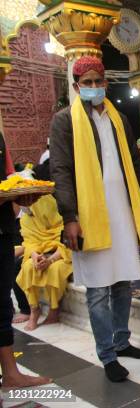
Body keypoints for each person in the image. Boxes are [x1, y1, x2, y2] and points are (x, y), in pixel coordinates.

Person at [49, 56, 140, 383]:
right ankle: (107, 354)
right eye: (88, 83)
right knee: (98, 289)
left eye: (100, 82)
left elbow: (137, 167)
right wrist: (70, 216)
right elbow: (61, 171)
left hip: (121, 212)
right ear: (76, 86)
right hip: (89, 216)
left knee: (123, 281)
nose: (95, 88)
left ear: (106, 84)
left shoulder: (119, 119)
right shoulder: (65, 121)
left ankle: (122, 341)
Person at [0, 131, 51, 388]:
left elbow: (8, 180)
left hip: (2, 229)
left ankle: (11, 374)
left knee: (2, 307)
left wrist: (21, 196)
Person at [16, 191, 72, 332]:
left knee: (55, 270)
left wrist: (50, 260)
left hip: (62, 255)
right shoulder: (27, 219)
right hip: (41, 254)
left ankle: (54, 309)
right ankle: (34, 309)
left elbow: (67, 244)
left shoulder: (60, 217)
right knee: (28, 267)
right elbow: (29, 241)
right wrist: (35, 256)